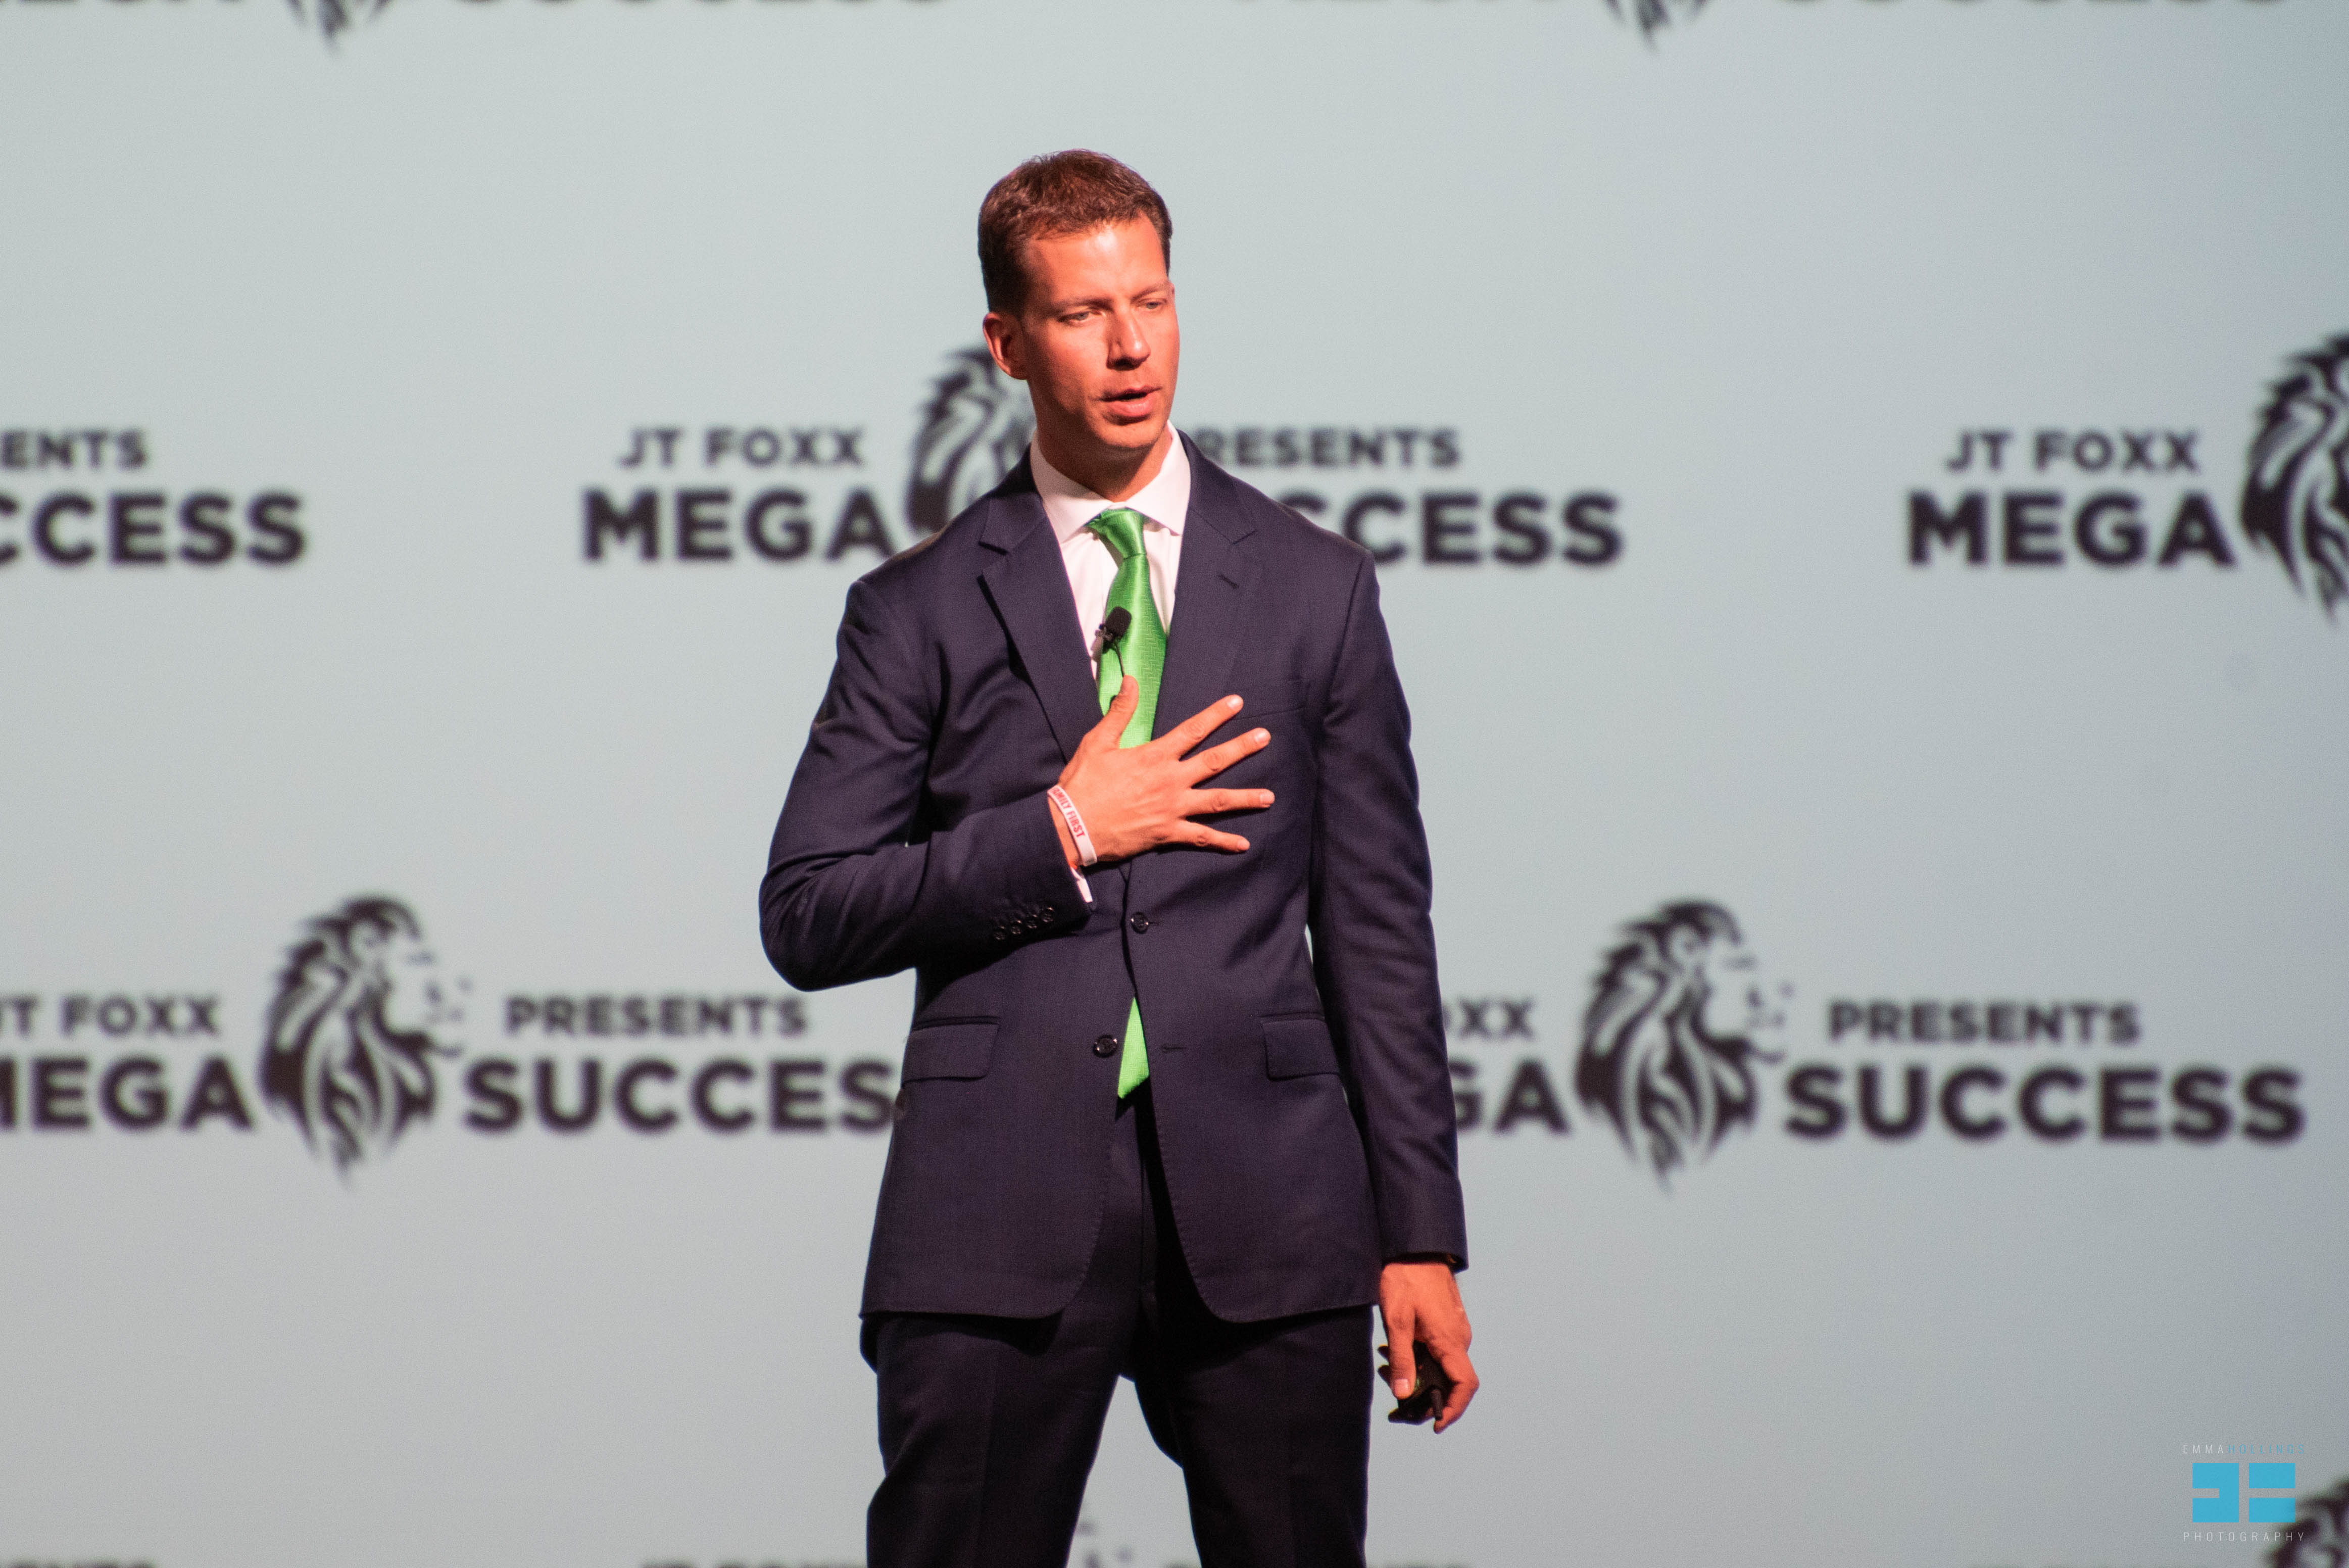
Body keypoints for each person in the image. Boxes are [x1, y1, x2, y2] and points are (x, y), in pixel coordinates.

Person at [760, 149, 1474, 1568]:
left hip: (1272, 1208)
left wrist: (1420, 1237)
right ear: (1009, 344)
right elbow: (810, 910)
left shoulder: (1315, 588)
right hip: (994, 1209)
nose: (1132, 346)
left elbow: (1380, 938)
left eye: (1151, 301)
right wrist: (1063, 832)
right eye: (1085, 314)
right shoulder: (915, 608)